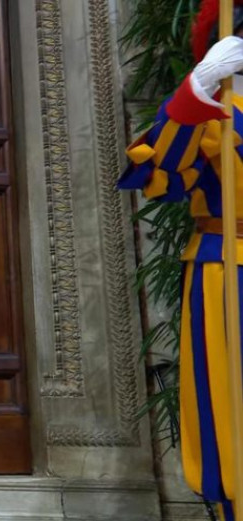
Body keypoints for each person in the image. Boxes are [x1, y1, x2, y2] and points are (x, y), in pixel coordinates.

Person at [119, 0, 243, 518]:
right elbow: (163, 168)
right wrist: (200, 88)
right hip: (227, 267)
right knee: (229, 402)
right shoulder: (223, 108)